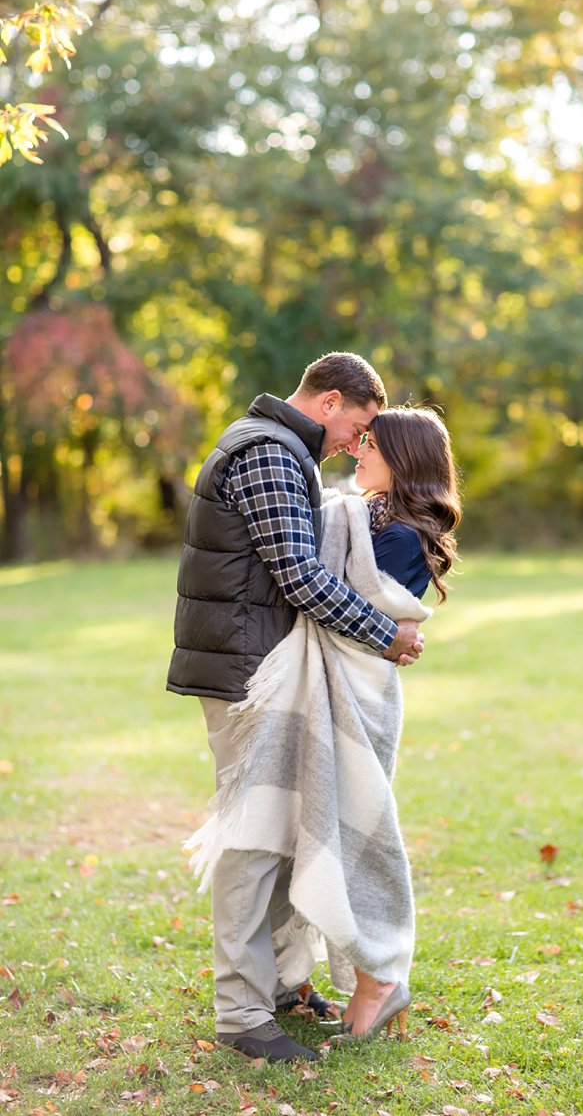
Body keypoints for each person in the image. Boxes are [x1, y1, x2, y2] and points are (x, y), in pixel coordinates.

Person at [167, 352, 426, 1063]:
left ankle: (282, 985)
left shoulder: (281, 449)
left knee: (281, 832)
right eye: (360, 424)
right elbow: (302, 575)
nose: (357, 441)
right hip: (250, 670)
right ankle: (242, 1011)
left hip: (263, 661)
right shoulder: (269, 453)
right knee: (252, 843)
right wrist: (388, 634)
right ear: (330, 399)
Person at [338, 405, 462, 1040]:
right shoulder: (379, 521)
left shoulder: (398, 535)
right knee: (344, 835)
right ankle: (370, 984)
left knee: (357, 838)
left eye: (371, 447)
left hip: (359, 696)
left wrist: (397, 628)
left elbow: (347, 609)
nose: (358, 455)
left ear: (403, 459)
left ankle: (379, 981)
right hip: (355, 690)